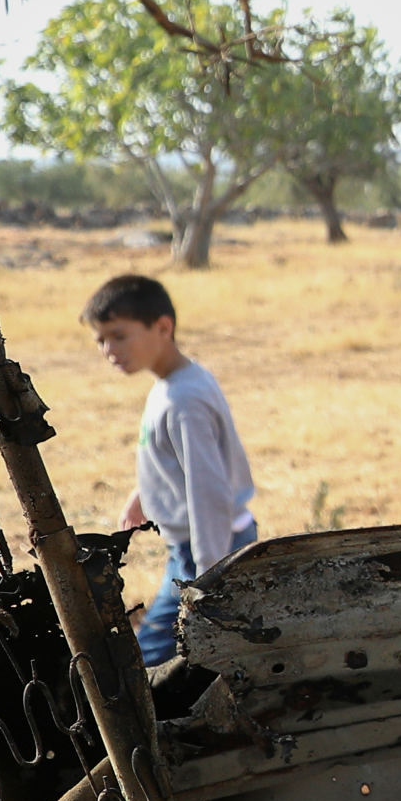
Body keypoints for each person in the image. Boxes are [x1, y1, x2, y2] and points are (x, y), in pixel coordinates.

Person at [84, 274, 259, 669]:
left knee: (154, 657)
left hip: (211, 548)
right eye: (100, 340)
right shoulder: (176, 382)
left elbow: (207, 490)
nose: (109, 349)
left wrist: (208, 576)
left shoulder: (183, 399)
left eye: (119, 335)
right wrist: (142, 494)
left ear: (163, 327)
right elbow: (172, 460)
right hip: (199, 545)